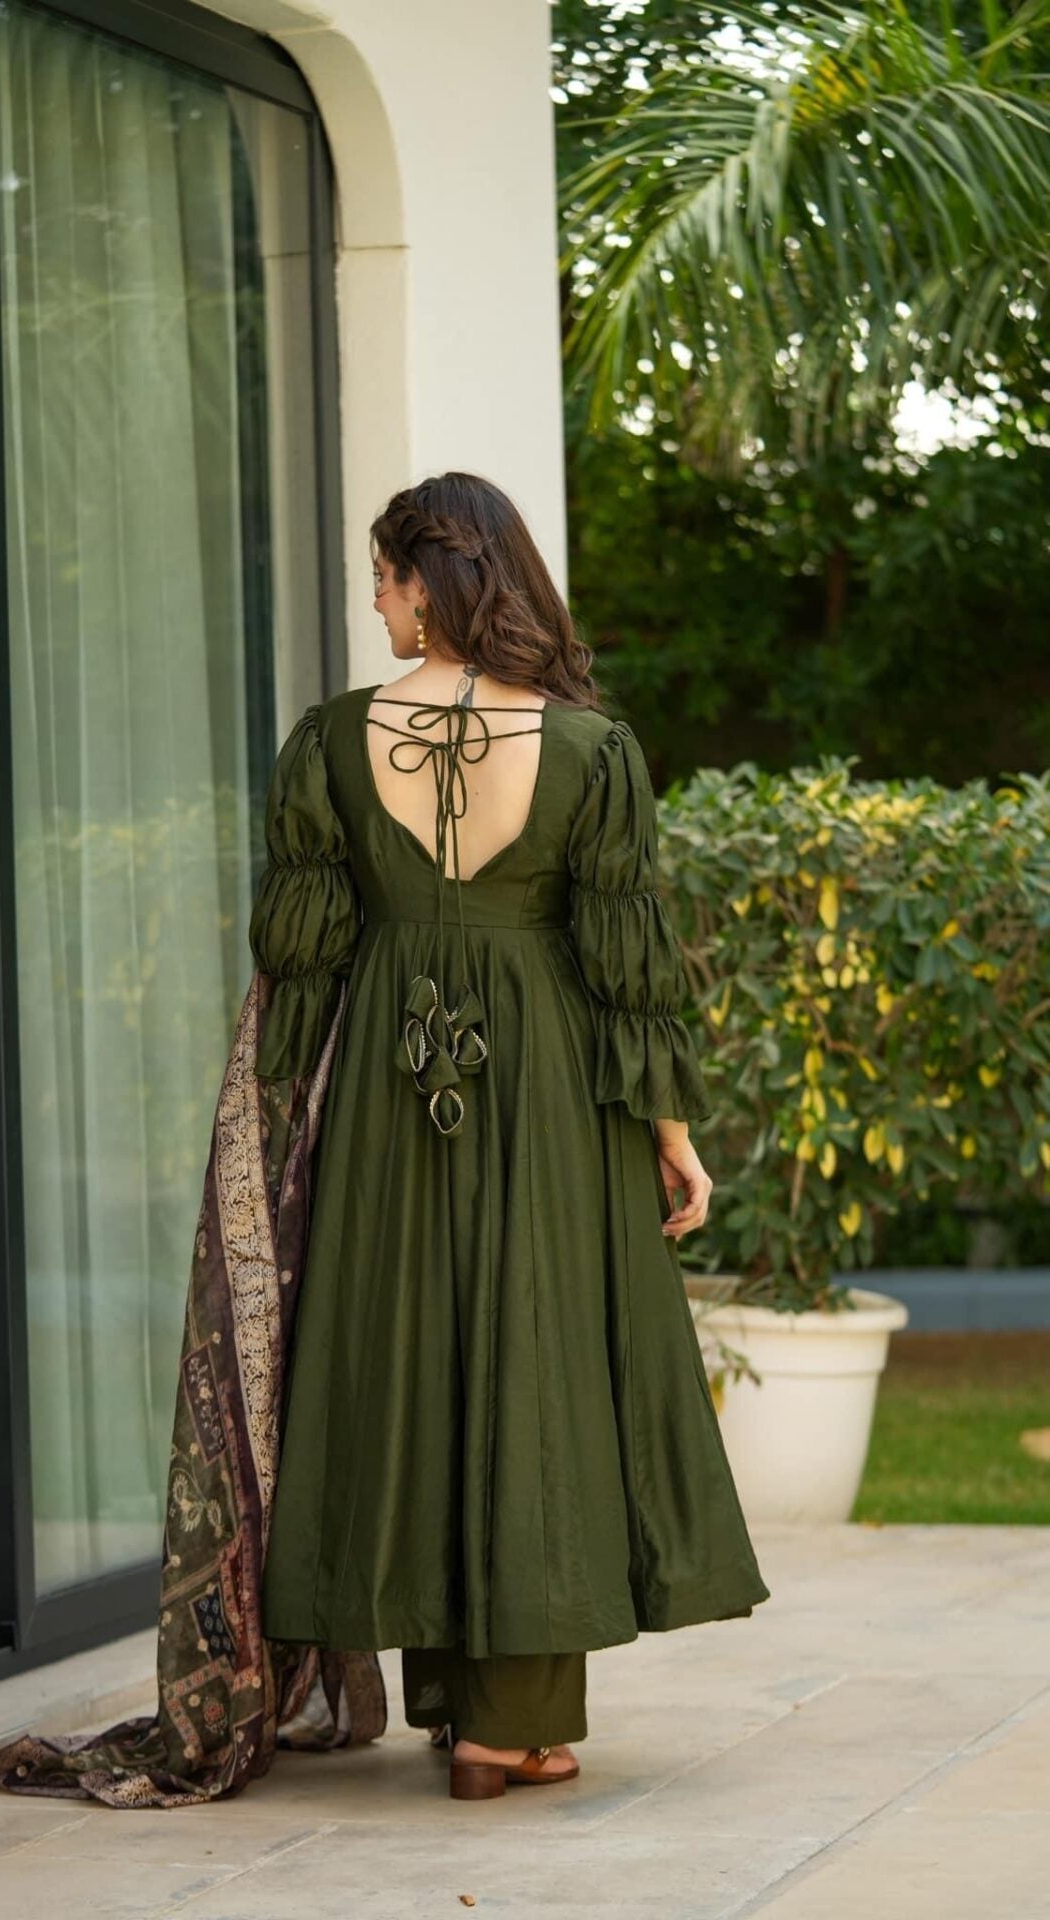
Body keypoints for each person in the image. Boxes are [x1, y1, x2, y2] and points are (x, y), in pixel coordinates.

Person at [249, 470, 770, 1802]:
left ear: (429, 587)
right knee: (534, 1355)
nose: (375, 604)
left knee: (413, 1351)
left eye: (382, 580)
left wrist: (277, 1123)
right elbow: (625, 964)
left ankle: (462, 1704)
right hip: (546, 1080)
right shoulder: (590, 749)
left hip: (388, 1081)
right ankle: (500, 1727)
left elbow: (302, 960)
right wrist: (670, 1131)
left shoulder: (329, 739)